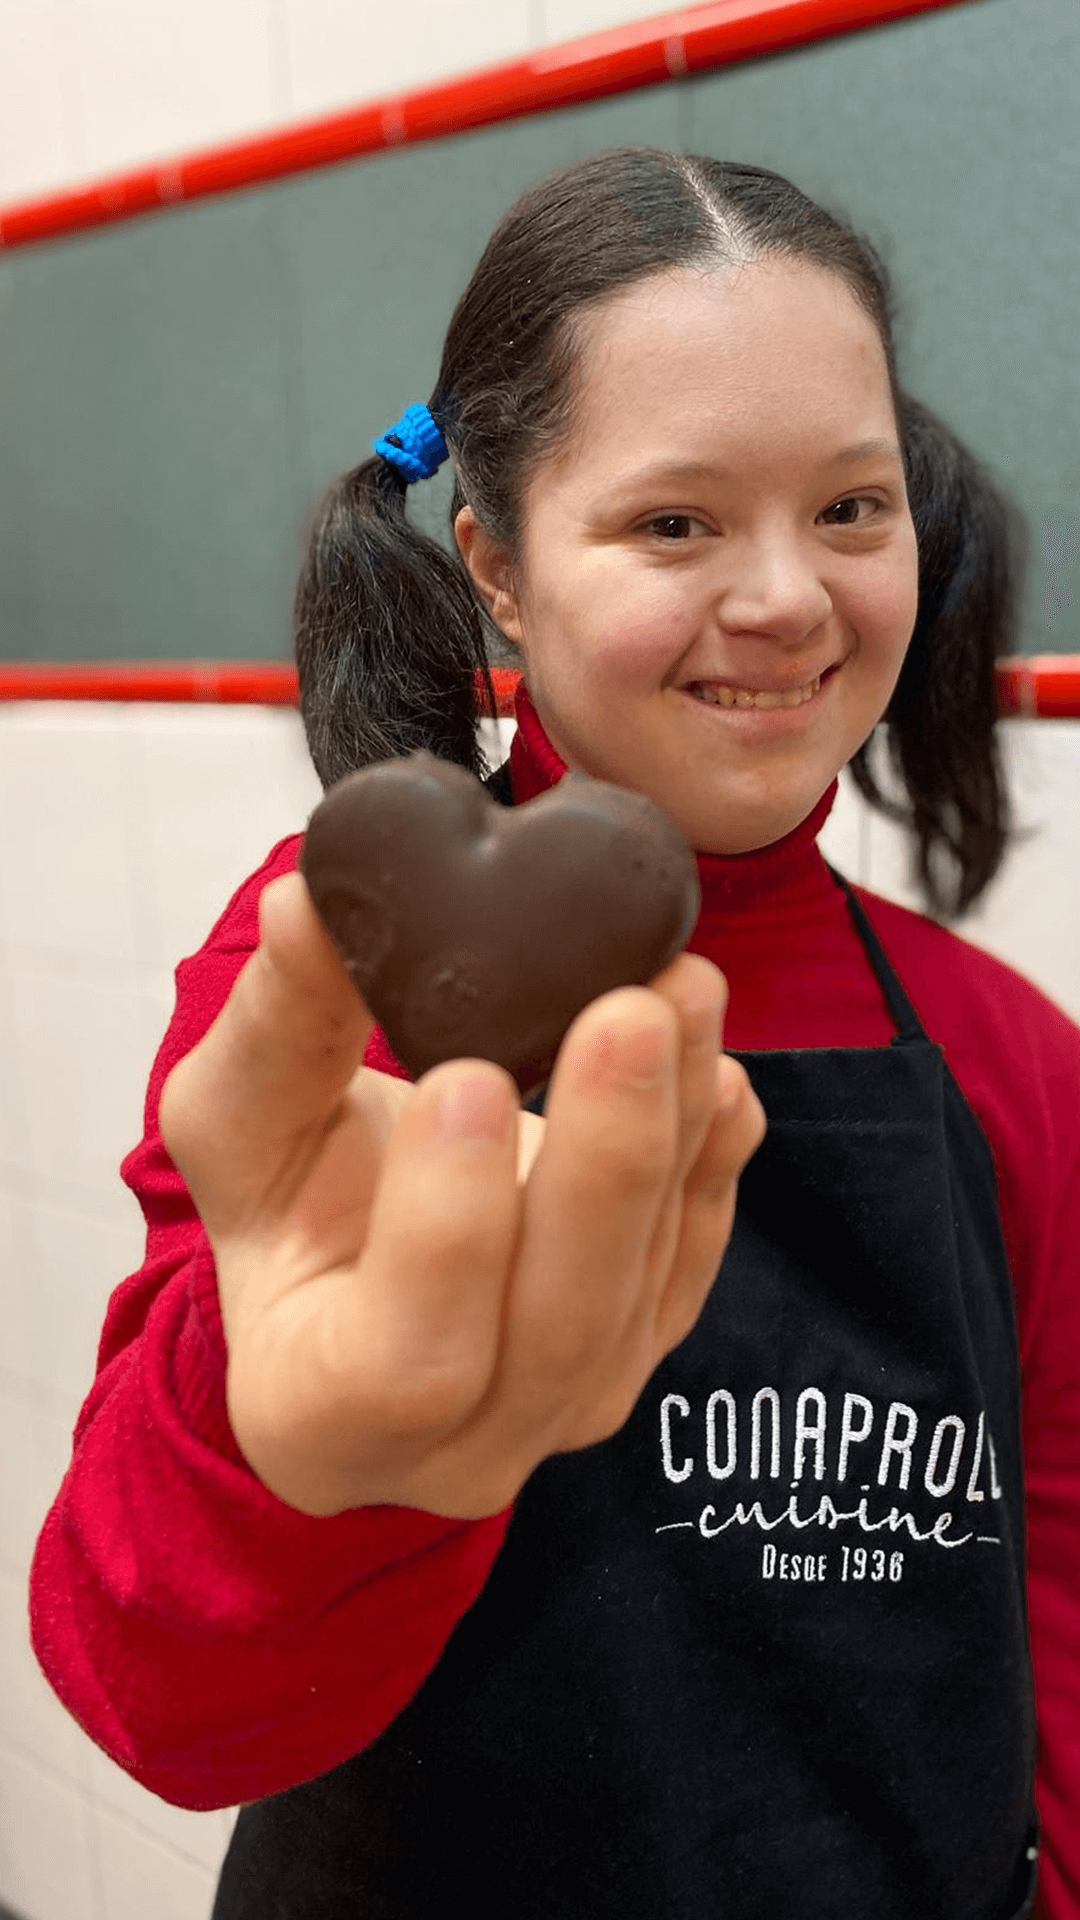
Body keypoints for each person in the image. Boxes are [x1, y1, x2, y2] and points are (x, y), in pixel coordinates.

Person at [29, 148, 1080, 1920]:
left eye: (851, 507)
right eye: (675, 524)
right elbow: (160, 1700)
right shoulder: (348, 975)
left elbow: (1058, 1563)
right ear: (497, 570)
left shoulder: (1010, 1054)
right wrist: (307, 1457)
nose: (787, 598)